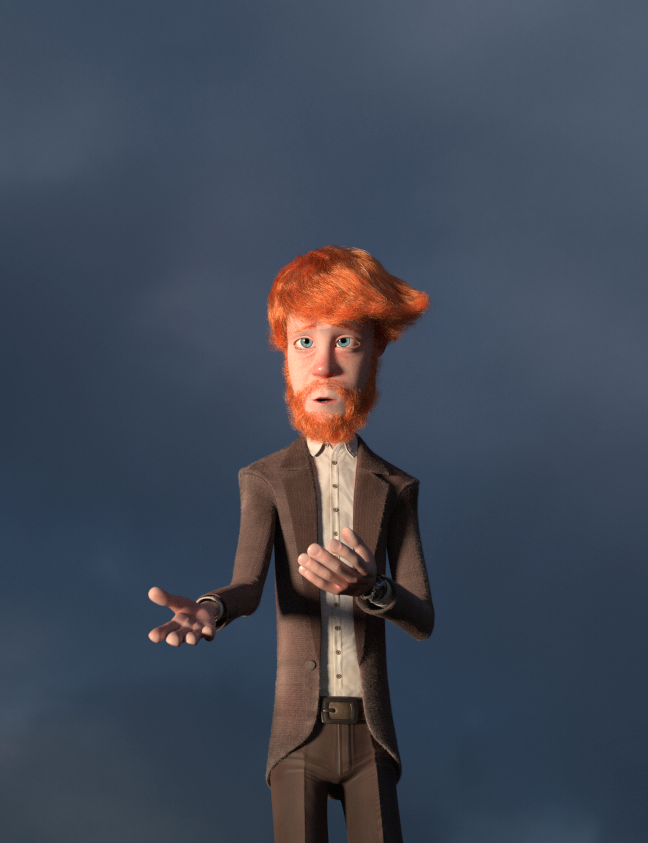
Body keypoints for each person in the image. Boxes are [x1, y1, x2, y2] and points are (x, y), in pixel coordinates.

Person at [146, 246, 433, 843]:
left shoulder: (397, 487)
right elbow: (248, 584)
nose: (323, 365)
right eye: (305, 342)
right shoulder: (266, 479)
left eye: (345, 341)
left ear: (376, 352)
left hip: (372, 737)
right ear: (284, 354)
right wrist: (213, 607)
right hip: (297, 737)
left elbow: (422, 617)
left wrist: (373, 588)